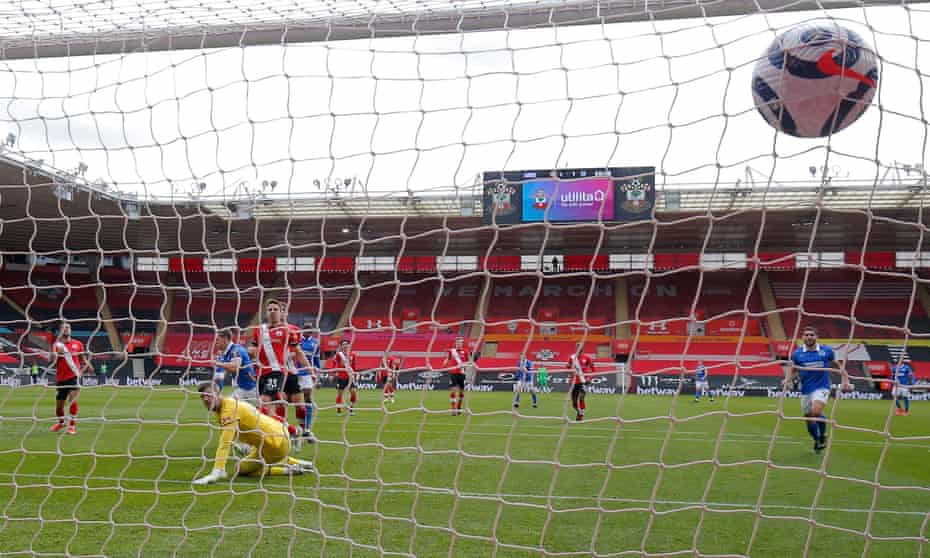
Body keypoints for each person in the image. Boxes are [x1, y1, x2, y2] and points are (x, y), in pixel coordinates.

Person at [191, 382, 314, 485]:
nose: (205, 399)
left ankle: (287, 469)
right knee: (243, 465)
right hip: (274, 438)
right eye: (202, 396)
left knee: (241, 469)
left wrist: (217, 471)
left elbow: (225, 443)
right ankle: (295, 464)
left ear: (218, 393)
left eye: (208, 395)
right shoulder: (227, 405)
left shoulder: (229, 409)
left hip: (276, 445)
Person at [248, 299, 312, 439]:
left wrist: (310, 370)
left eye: (277, 310)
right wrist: (251, 357)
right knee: (273, 407)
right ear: (266, 312)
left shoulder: (291, 330)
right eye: (270, 309)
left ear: (284, 312)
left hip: (283, 371)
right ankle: (288, 432)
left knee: (298, 404)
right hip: (263, 372)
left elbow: (298, 352)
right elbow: (253, 350)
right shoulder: (260, 329)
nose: (274, 312)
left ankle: (304, 431)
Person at [785, 326, 852, 454]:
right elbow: (794, 370)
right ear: (802, 337)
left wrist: (846, 380)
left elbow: (839, 366)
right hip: (806, 389)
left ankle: (822, 435)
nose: (809, 337)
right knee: (809, 419)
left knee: (815, 412)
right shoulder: (797, 354)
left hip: (822, 386)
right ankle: (817, 439)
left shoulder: (826, 351)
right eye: (806, 335)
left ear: (816, 337)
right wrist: (787, 380)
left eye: (811, 334)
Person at [49, 323, 91, 434]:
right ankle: (62, 423)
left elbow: (83, 360)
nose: (67, 329)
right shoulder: (56, 345)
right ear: (60, 331)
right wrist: (57, 355)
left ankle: (72, 426)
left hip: (73, 377)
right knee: (59, 408)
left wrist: (83, 370)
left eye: (68, 327)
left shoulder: (78, 344)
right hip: (61, 378)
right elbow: (52, 362)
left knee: (72, 401)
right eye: (64, 327)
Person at [215, 329, 257, 402]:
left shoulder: (236, 350)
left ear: (225, 339)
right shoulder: (225, 354)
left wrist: (217, 363)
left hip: (253, 389)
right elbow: (222, 374)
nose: (215, 342)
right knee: (228, 406)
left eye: (217, 339)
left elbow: (235, 367)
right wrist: (217, 391)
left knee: (263, 409)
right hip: (241, 389)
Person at [295, 325, 321, 441]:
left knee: (308, 399)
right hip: (294, 373)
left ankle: (307, 430)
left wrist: (317, 377)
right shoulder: (296, 340)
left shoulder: (315, 343)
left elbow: (316, 362)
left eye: (310, 331)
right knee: (295, 402)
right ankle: (300, 428)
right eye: (306, 330)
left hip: (306, 374)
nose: (308, 332)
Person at [442, 336, 469, 416]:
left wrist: (464, 365)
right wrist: (445, 362)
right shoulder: (452, 351)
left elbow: (468, 362)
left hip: (462, 373)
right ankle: (453, 410)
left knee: (461, 392)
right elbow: (448, 358)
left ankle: (459, 407)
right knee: (453, 391)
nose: (459, 344)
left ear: (462, 343)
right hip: (453, 373)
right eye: (458, 342)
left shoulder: (465, 351)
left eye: (460, 342)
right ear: (456, 343)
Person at [567, 343, 593, 421]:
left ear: (582, 349)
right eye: (577, 347)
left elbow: (593, 368)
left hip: (583, 381)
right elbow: (567, 367)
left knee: (581, 397)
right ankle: (579, 412)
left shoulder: (587, 358)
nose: (579, 349)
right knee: (574, 402)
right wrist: (568, 369)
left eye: (580, 348)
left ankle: (581, 415)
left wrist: (590, 378)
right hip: (574, 382)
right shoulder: (572, 358)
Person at [332, 339, 358, 415]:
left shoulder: (353, 354)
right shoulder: (339, 354)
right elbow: (335, 363)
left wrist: (355, 376)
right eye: (343, 344)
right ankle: (339, 410)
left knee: (353, 392)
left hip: (350, 377)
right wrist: (333, 373)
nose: (345, 345)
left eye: (346, 344)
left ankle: (351, 409)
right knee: (340, 394)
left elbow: (354, 366)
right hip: (341, 377)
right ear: (341, 346)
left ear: (349, 345)